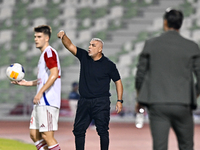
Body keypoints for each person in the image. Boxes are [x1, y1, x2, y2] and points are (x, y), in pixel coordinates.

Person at [135, 8, 200, 150]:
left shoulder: (151, 44)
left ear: (165, 22)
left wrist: (139, 99)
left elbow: (140, 74)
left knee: (159, 147)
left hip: (157, 104)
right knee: (187, 145)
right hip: (183, 104)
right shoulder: (192, 47)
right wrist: (192, 96)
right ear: (181, 24)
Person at [57, 31, 123, 150]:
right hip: (84, 101)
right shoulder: (84, 56)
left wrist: (119, 100)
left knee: (102, 130)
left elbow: (118, 82)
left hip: (101, 102)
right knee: (78, 130)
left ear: (100, 49)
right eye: (89, 44)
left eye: (93, 45)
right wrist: (63, 36)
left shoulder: (109, 65)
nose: (89, 47)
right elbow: (70, 45)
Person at [12, 25, 62, 150]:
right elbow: (42, 80)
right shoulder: (43, 55)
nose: (36, 39)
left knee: (47, 135)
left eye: (39, 37)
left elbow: (54, 74)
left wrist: (39, 93)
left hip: (48, 101)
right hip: (41, 102)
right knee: (34, 135)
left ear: (47, 38)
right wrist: (26, 83)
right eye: (35, 37)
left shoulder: (49, 52)